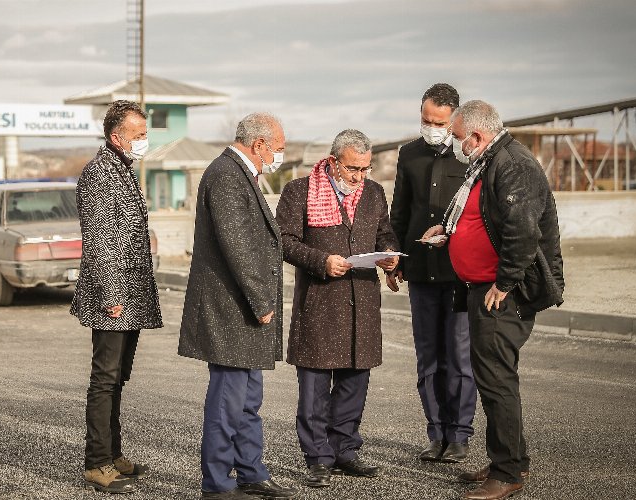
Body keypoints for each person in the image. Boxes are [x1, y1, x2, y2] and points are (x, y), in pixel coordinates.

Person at [422, 100, 564, 500]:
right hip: (482, 288)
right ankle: (511, 458)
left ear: (478, 136)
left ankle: (506, 474)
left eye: (457, 137)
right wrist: (451, 233)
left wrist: (504, 283)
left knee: (497, 380)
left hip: (501, 294)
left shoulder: (512, 164)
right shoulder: (490, 160)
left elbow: (523, 232)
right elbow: (485, 219)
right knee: (494, 377)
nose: (454, 144)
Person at [178, 112, 299, 500]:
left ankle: (251, 471)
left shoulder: (238, 172)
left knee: (249, 399)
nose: (279, 156)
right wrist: (261, 299)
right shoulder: (228, 175)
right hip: (232, 308)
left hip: (241, 309)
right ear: (259, 144)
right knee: (228, 400)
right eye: (277, 149)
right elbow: (238, 247)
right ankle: (217, 483)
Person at [276, 129, 399, 489]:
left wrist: (390, 255)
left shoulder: (374, 193)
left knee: (353, 383)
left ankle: (345, 450)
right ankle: (318, 458)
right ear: (332, 163)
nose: (360, 177)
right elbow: (284, 241)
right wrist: (321, 261)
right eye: (353, 169)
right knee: (314, 390)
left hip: (362, 303)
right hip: (319, 303)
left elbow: (384, 234)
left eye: (366, 168)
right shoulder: (299, 192)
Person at [71, 100, 163, 494]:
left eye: (145, 134)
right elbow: (99, 240)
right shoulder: (99, 174)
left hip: (131, 293)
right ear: (115, 136)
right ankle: (97, 463)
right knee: (105, 379)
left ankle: (112, 454)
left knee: (118, 378)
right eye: (138, 135)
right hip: (114, 296)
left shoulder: (121, 169)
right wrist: (111, 293)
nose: (144, 141)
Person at [388, 83, 477, 463]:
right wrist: (394, 259)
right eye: (425, 120)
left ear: (454, 119)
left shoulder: (470, 156)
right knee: (428, 357)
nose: (431, 127)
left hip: (459, 274)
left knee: (459, 356)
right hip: (420, 271)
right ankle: (436, 433)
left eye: (438, 122)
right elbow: (400, 211)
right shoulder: (408, 154)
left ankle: (459, 435)